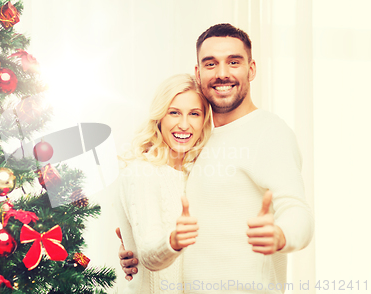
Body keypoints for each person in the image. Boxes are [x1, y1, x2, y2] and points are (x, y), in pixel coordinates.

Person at [117, 23, 314, 293]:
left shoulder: (269, 132)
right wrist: (134, 248)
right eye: (211, 64)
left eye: (234, 62)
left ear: (252, 69)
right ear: (198, 74)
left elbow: (296, 210)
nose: (222, 73)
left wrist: (282, 235)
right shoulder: (196, 138)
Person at [115, 73, 212, 293]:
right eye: (174, 112)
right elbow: (150, 255)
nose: (184, 125)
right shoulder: (141, 172)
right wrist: (174, 241)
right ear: (160, 116)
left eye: (194, 114)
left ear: (204, 120)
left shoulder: (195, 173)